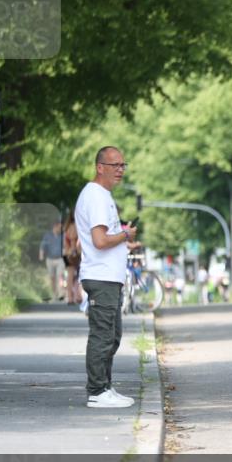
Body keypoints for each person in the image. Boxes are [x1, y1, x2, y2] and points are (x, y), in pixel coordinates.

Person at [74, 146, 139, 408]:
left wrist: (124, 243)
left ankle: (106, 387)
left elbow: (102, 239)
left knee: (112, 336)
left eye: (123, 165)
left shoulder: (102, 196)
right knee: (102, 335)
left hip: (108, 277)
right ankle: (97, 391)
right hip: (101, 278)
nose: (120, 170)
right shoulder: (96, 196)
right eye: (115, 165)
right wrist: (125, 235)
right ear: (100, 167)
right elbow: (100, 241)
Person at [39, 220, 65, 301]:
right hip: (50, 259)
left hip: (60, 259)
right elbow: (42, 246)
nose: (61, 229)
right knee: (52, 278)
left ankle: (61, 293)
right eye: (59, 227)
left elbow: (66, 246)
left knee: (60, 276)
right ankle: (55, 294)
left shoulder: (62, 236)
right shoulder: (47, 236)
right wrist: (41, 254)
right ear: (55, 226)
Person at [62, 211, 82, 306]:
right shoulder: (77, 226)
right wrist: (75, 250)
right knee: (77, 276)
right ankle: (78, 296)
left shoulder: (66, 227)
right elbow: (75, 241)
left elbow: (65, 243)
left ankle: (70, 297)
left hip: (66, 254)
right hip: (75, 253)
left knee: (70, 277)